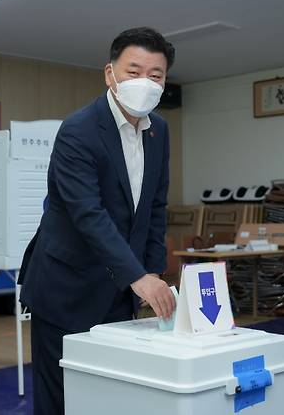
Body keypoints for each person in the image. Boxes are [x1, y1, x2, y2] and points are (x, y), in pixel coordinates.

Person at [19, 27, 177, 415]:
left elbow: (155, 208)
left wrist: (152, 274)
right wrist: (137, 276)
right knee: (62, 398)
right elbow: (87, 214)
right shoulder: (79, 130)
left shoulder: (160, 130)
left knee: (109, 395)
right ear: (110, 74)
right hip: (66, 288)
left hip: (119, 289)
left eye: (155, 75)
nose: (145, 82)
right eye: (134, 71)